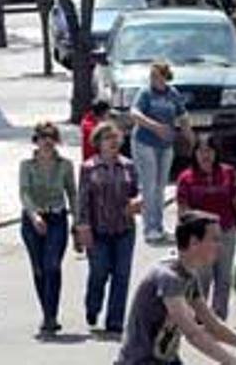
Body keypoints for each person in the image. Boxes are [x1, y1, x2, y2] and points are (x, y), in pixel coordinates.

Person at [116, 210, 236, 364]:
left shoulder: (188, 274)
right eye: (215, 239)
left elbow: (213, 325)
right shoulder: (169, 278)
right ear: (194, 242)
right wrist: (234, 363)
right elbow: (193, 333)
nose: (220, 246)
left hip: (164, 359)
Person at [176, 134, 236, 320]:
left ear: (216, 153)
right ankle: (200, 316)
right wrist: (185, 235)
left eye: (209, 151)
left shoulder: (228, 172)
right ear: (194, 154)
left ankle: (219, 317)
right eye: (201, 151)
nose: (205, 156)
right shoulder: (186, 178)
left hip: (225, 230)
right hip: (200, 235)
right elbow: (183, 209)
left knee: (224, 277)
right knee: (203, 276)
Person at [76, 121, 140, 334]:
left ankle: (115, 322)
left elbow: (136, 191)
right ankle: (93, 306)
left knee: (122, 275)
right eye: (107, 138)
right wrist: (82, 227)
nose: (113, 142)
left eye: (116, 137)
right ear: (98, 143)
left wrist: (138, 202)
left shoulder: (128, 165)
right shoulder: (88, 167)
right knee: (99, 272)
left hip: (125, 229)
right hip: (98, 229)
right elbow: (82, 200)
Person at [19, 121, 77, 334]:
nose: (47, 141)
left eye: (51, 136)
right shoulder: (27, 165)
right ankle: (47, 313)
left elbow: (72, 193)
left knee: (52, 264)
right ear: (36, 140)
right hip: (32, 219)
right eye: (43, 136)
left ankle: (51, 314)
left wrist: (77, 222)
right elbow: (24, 193)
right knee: (39, 268)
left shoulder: (65, 165)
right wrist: (34, 216)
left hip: (56, 217)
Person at [131, 60, 194, 244]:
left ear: (165, 77)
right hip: (145, 142)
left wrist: (190, 136)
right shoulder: (145, 93)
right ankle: (149, 228)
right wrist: (155, 127)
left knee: (160, 186)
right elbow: (135, 113)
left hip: (165, 145)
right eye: (152, 76)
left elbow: (182, 116)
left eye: (158, 76)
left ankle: (158, 225)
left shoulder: (172, 93)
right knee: (148, 185)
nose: (154, 79)